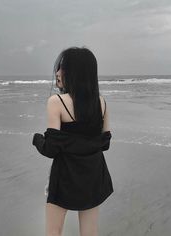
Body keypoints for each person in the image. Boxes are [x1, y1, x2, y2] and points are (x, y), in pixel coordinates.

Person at [33, 46, 114, 236]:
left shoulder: (56, 101)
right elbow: (105, 143)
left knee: (53, 232)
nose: (57, 72)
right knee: (89, 232)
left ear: (75, 73)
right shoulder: (101, 102)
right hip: (94, 174)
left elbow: (51, 149)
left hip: (65, 175)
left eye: (62, 67)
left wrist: (36, 139)